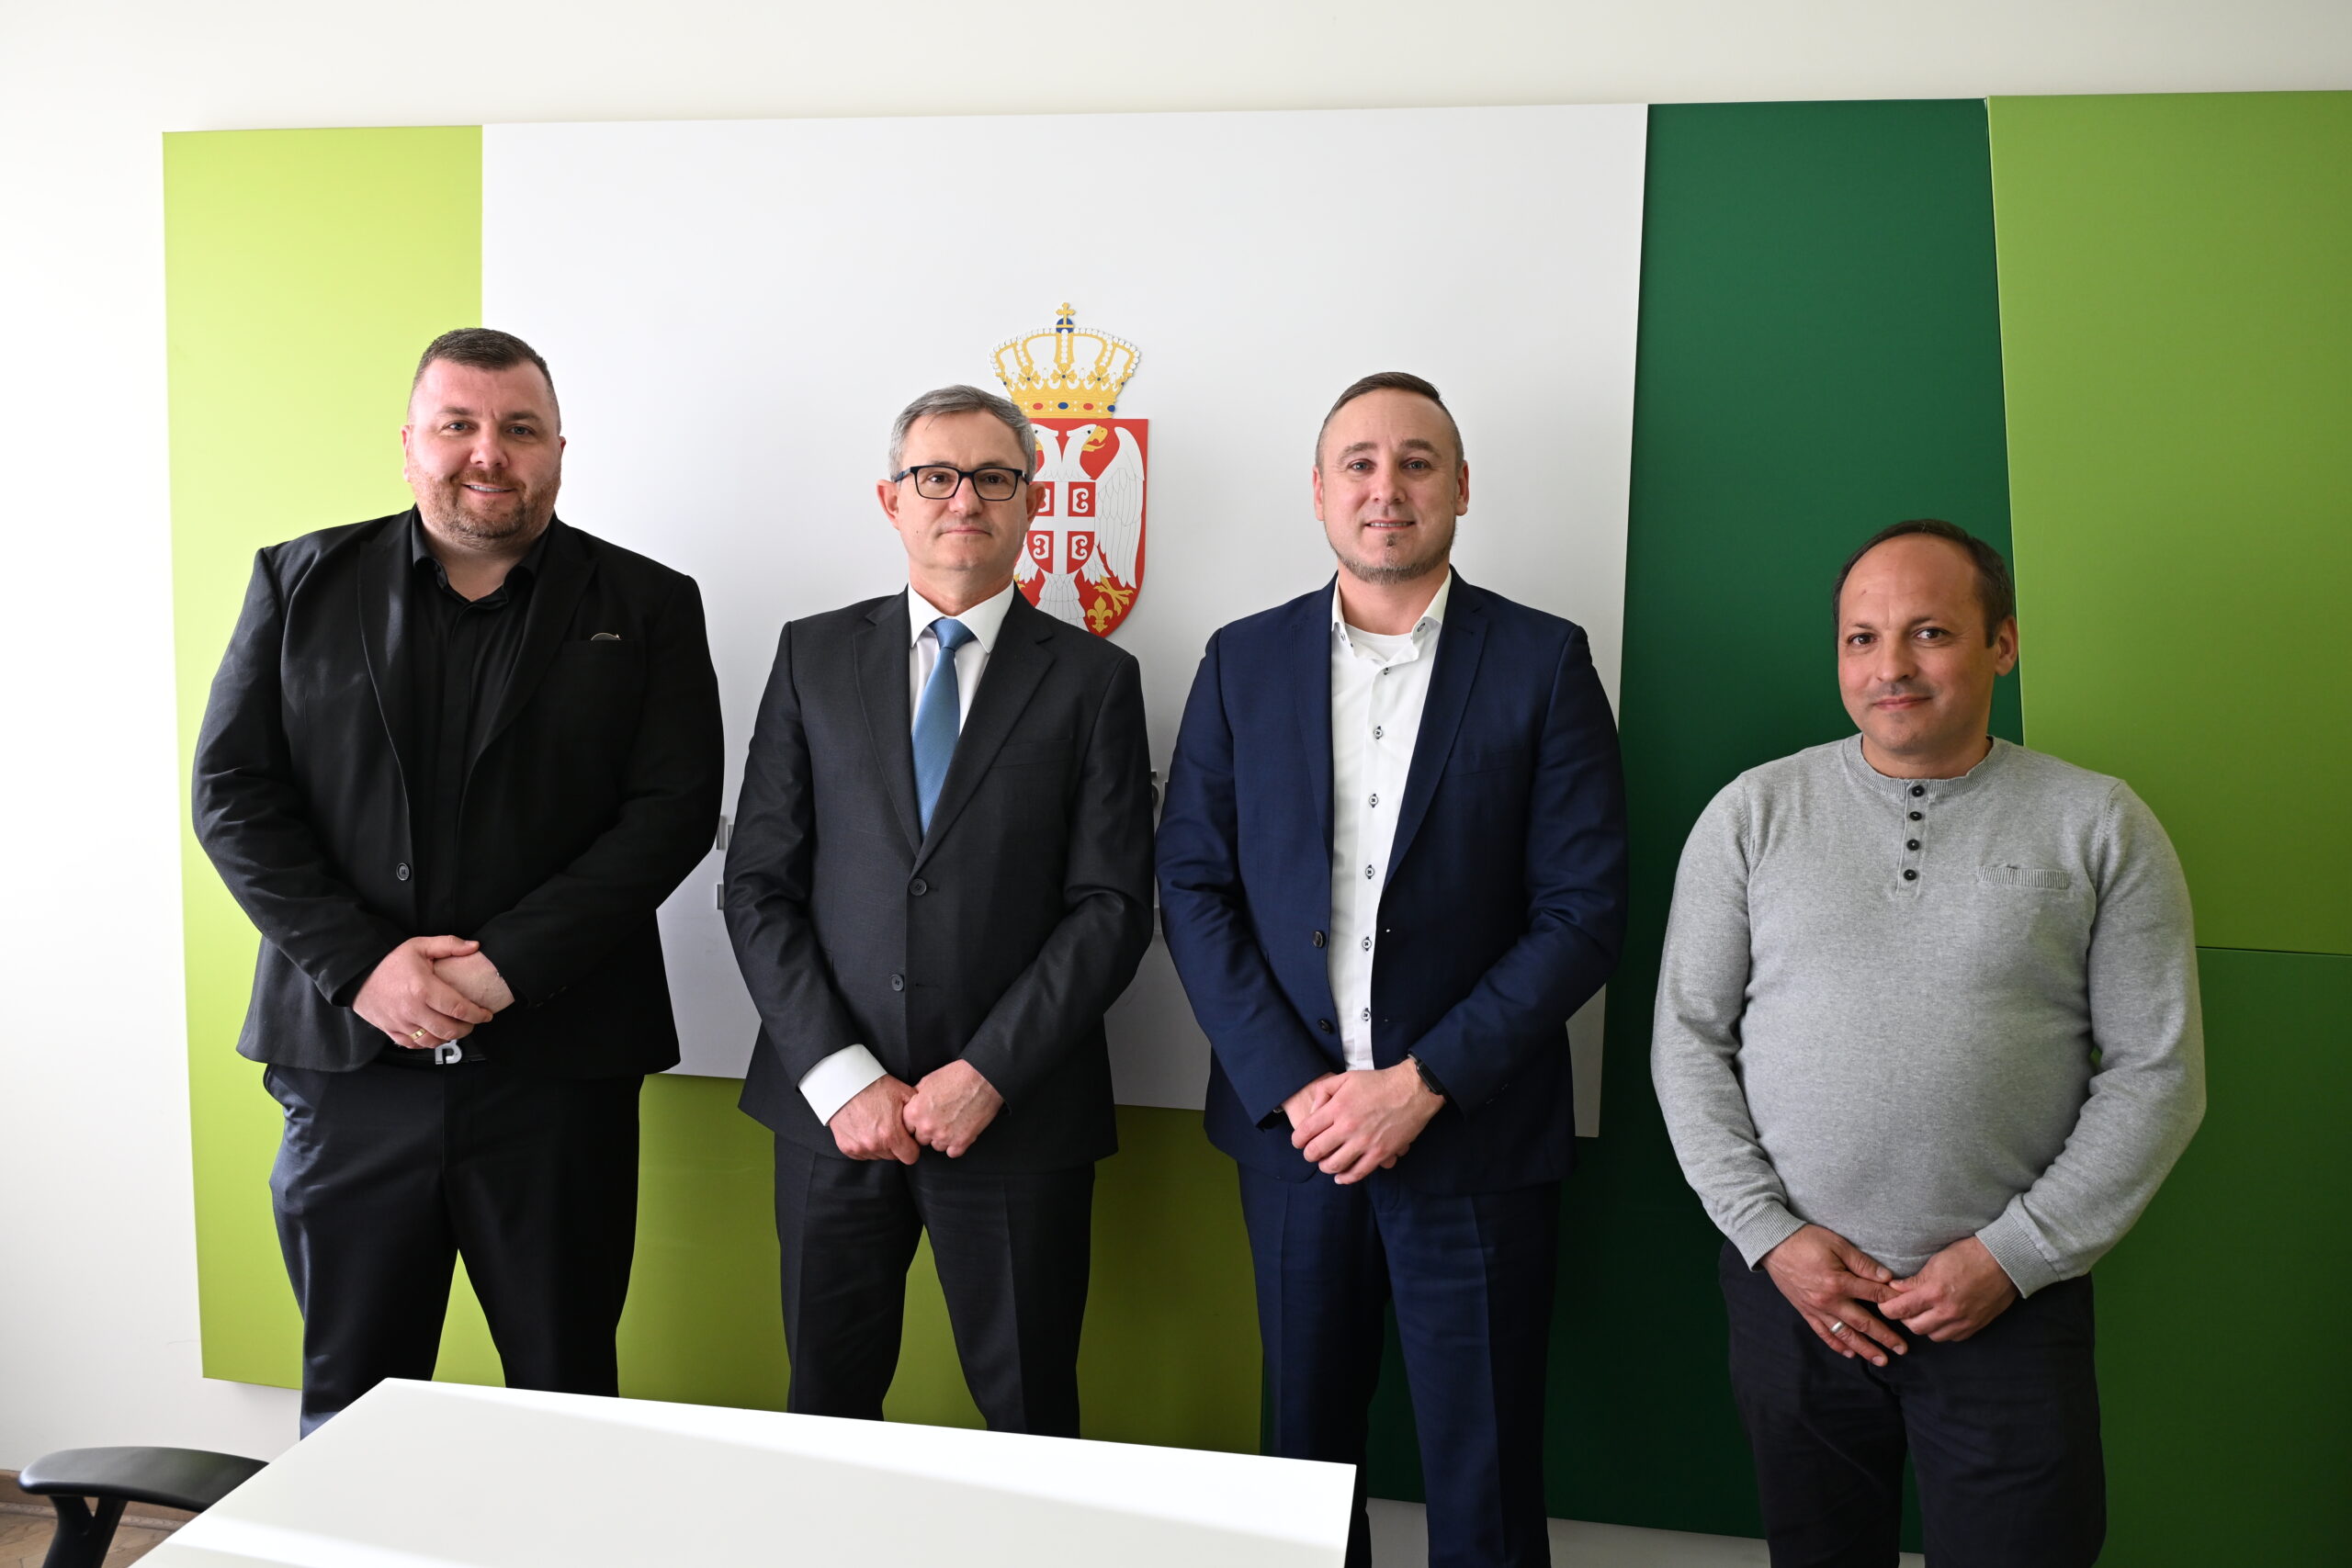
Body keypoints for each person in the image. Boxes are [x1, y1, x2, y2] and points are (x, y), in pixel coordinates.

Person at [192, 328, 725, 1433]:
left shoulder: (650, 603)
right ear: (410, 444)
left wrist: (506, 967)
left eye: (520, 428)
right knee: (353, 1408)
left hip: (559, 1070)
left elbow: (670, 813)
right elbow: (233, 795)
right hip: (349, 1069)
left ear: (559, 449)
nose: (490, 451)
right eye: (459, 425)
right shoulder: (299, 581)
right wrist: (361, 967)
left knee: (567, 1401)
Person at [1651, 519, 2206, 1567]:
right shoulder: (1751, 814)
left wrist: (2011, 1257)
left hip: (2010, 1304)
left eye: (1930, 633)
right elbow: (1687, 1040)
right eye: (1861, 639)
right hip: (1796, 1297)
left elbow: (2157, 1074)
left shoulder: (2099, 824)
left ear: (2003, 644)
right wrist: (1769, 1234)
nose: (1890, 667)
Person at [1157, 372, 1628, 1568]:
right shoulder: (1241, 660)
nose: (1386, 487)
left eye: (1416, 462)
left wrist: (1422, 1083)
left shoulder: (1544, 661)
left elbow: (1582, 912)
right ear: (1318, 490)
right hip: (1294, 1139)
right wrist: (1296, 1086)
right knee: (1303, 1471)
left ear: (1460, 487)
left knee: (1485, 1476)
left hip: (1473, 1137)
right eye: (1358, 463)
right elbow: (1193, 888)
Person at [724, 383, 1155, 1436]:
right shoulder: (811, 655)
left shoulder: (1097, 680)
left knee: (1030, 1420)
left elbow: (1109, 907)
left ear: (1031, 501)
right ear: (893, 499)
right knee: (823, 1414)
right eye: (936, 476)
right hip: (832, 1117)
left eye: (994, 478)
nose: (964, 499)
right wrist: (843, 1079)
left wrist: (986, 1074)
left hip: (1016, 1116)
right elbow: (759, 883)